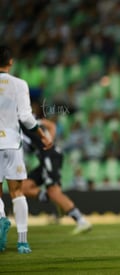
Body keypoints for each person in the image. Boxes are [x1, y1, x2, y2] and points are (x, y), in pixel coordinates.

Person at [0, 45, 53, 253]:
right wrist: (42, 135)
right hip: (12, 142)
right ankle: (22, 241)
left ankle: (2, 219)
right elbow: (25, 117)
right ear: (11, 61)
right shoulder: (19, 84)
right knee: (17, 192)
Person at [20, 117, 92, 235]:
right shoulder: (18, 125)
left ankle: (81, 221)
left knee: (54, 191)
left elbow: (51, 125)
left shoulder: (26, 120)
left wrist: (49, 142)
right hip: (44, 158)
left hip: (50, 156)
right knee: (24, 187)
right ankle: (57, 200)